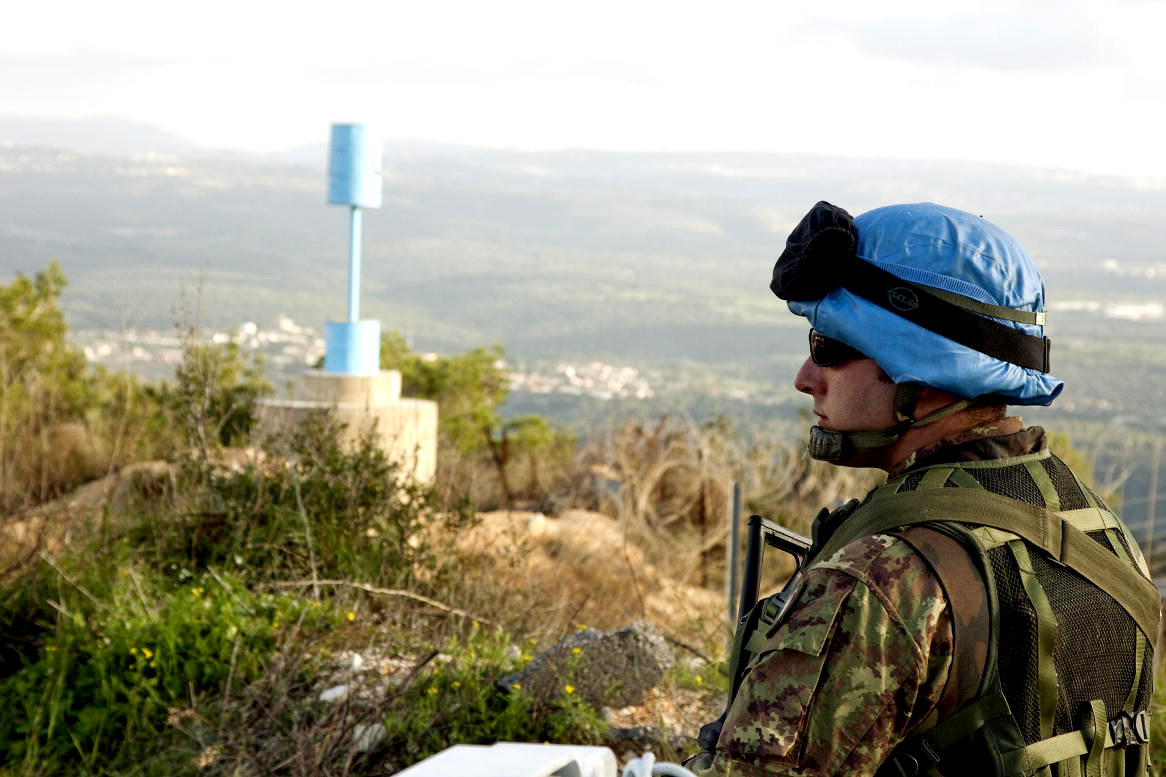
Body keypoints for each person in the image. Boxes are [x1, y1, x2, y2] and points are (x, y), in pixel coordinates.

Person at [689, 202, 1158, 777]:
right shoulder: (1103, 535)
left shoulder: (880, 581)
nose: (805, 378)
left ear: (929, 377)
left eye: (829, 349)